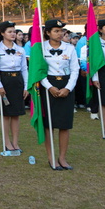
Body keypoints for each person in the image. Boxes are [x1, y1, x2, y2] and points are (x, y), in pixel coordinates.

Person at [38, 19, 80, 170]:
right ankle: (51, 157)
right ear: (48, 33)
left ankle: (62, 158)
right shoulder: (40, 48)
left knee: (64, 124)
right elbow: (38, 70)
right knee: (49, 125)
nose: (60, 33)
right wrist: (49, 87)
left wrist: (68, 88)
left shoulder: (70, 48)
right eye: (56, 31)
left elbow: (75, 69)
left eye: (61, 31)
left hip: (66, 84)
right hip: (48, 85)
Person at [0, 21, 28, 153]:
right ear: (2, 33)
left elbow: (25, 69)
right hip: (4, 81)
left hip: (17, 81)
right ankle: (7, 141)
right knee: (6, 114)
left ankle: (15, 142)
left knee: (16, 114)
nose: (13, 34)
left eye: (14, 31)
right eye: (9, 31)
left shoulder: (21, 49)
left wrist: (26, 86)